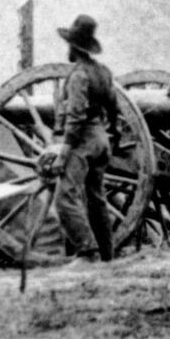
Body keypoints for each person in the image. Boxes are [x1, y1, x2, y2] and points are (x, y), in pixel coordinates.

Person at [44, 14, 119, 261]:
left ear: (73, 47)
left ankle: (87, 252)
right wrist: (113, 132)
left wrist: (63, 153)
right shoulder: (103, 72)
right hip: (101, 139)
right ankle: (107, 256)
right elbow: (113, 106)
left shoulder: (78, 76)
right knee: (96, 200)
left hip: (82, 141)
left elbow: (75, 116)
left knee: (64, 198)